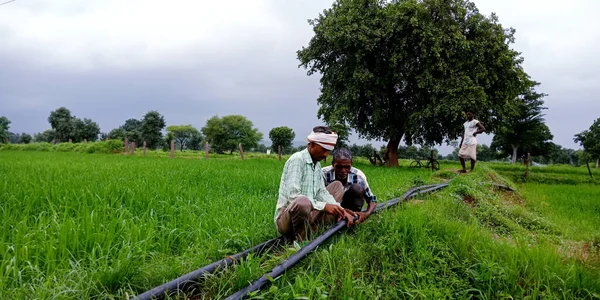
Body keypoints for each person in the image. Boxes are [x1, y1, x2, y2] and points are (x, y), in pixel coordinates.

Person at [275, 126, 357, 242]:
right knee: (302, 201)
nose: (325, 155)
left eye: (328, 151)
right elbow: (293, 197)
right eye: (323, 150)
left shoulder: (317, 164)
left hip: (308, 215)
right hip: (287, 220)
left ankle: (320, 231)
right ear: (312, 144)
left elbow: (320, 192)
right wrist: (324, 206)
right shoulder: (297, 160)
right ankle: (300, 242)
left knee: (337, 186)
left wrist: (339, 209)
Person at [322, 148, 377, 225]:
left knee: (357, 188)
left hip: (350, 208)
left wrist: (366, 214)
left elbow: (372, 200)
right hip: (329, 210)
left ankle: (352, 218)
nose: (343, 170)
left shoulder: (358, 175)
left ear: (351, 164)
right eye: (339, 167)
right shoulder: (323, 174)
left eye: (347, 167)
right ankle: (327, 223)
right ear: (333, 164)